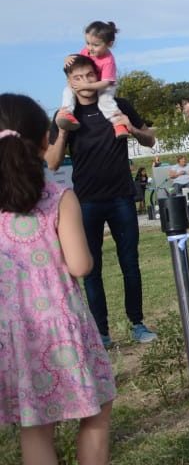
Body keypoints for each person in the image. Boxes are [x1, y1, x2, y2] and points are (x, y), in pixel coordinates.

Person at [2, 94, 116, 465]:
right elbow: (81, 265)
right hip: (60, 327)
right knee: (97, 410)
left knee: (35, 426)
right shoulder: (58, 196)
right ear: (44, 141)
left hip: (13, 332)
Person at [46, 55, 158, 350]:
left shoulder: (117, 105)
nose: (84, 83)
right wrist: (62, 134)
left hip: (121, 197)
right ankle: (102, 333)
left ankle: (137, 324)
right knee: (91, 270)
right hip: (86, 203)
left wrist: (132, 129)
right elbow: (53, 163)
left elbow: (151, 140)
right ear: (69, 83)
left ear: (98, 75)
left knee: (130, 264)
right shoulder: (64, 114)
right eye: (77, 78)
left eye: (88, 76)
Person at [56, 21, 128, 138]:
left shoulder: (108, 61)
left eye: (96, 45)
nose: (90, 48)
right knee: (68, 90)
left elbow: (105, 83)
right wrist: (68, 58)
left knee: (105, 101)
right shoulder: (87, 50)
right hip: (90, 81)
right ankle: (67, 113)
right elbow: (77, 62)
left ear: (109, 44)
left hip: (105, 85)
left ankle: (118, 123)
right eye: (87, 43)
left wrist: (86, 86)